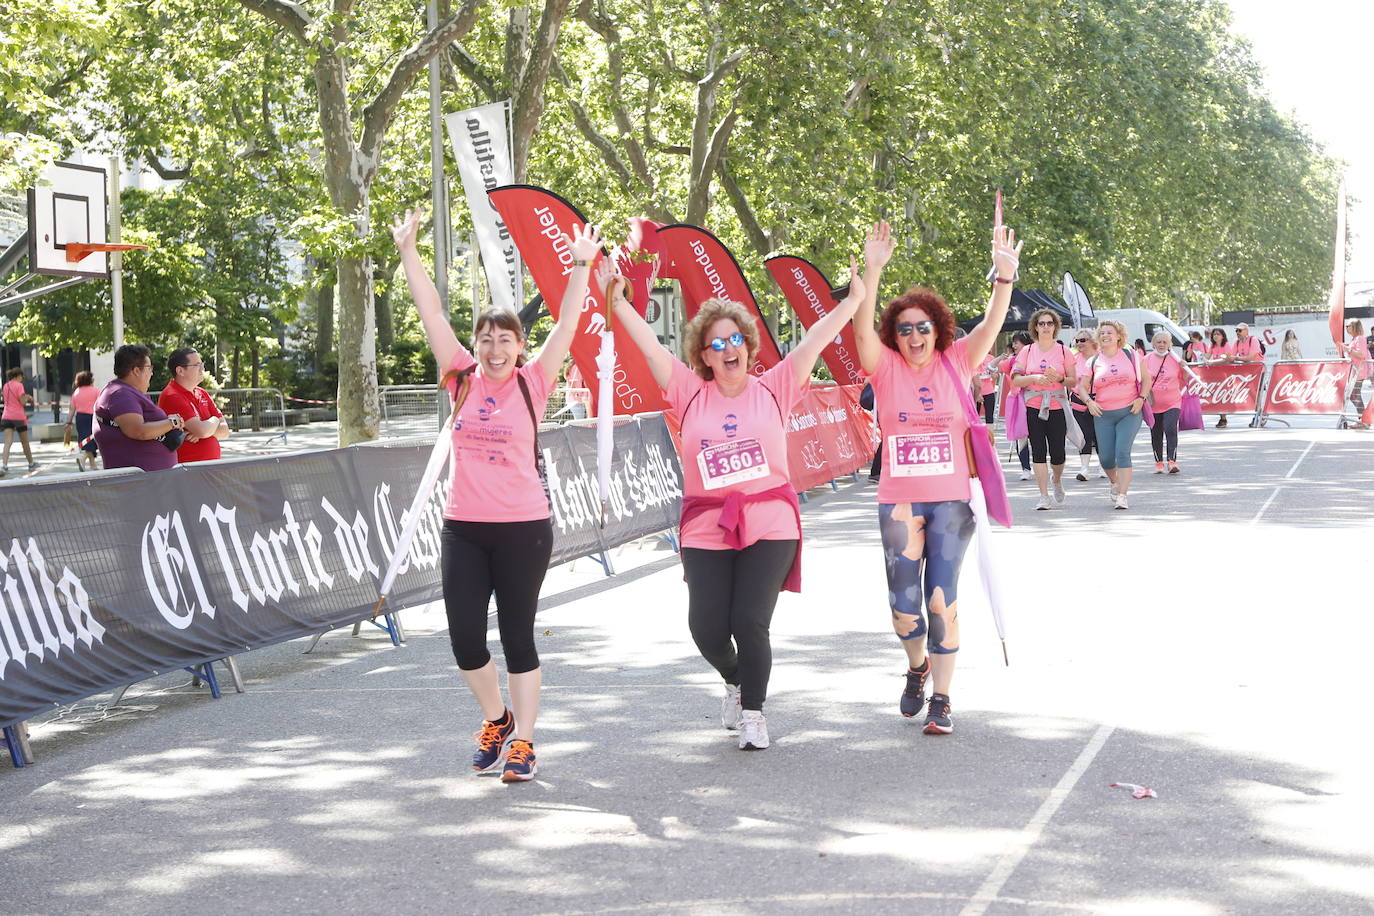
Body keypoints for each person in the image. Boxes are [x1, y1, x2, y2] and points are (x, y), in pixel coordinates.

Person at [605, 238, 870, 752]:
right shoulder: (688, 390)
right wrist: (616, 303)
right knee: (706, 627)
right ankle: (734, 678)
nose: (728, 351)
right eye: (716, 344)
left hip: (770, 521)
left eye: (735, 342)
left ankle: (753, 712)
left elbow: (815, 338)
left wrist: (854, 301)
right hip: (707, 523)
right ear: (703, 355)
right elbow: (649, 346)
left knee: (749, 619)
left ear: (748, 347)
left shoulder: (775, 386)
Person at [393, 208, 593, 783]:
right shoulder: (459, 377)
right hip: (464, 527)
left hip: (524, 527)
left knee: (517, 636)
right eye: (486, 338)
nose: (494, 348)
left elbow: (568, 326)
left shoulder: (534, 383)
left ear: (519, 347)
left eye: (505, 340)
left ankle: (525, 744)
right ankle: (497, 717)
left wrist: (579, 267)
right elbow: (431, 312)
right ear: (476, 344)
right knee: (463, 639)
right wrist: (409, 250)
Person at [853, 218, 1022, 736]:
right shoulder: (883, 367)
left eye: (922, 326)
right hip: (899, 502)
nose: (913, 336)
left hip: (951, 502)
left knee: (940, 596)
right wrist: (873, 270)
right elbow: (859, 328)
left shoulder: (957, 360)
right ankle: (916, 668)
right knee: (904, 605)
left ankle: (943, 699)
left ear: (938, 330)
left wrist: (1004, 278)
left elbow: (992, 324)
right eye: (903, 328)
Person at [1011, 309, 1076, 510]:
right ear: (1035, 327)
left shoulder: (1064, 351)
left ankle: (1056, 479)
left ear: (1055, 326)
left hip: (1057, 405)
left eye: (1049, 323)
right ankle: (1043, 496)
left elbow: (1073, 381)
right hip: (1033, 406)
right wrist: (1034, 378)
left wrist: (1060, 379)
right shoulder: (1027, 351)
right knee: (1038, 452)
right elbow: (1015, 378)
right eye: (1042, 324)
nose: (1046, 327)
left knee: (1058, 454)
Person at [1077, 320, 1146, 509]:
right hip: (1103, 414)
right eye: (1102, 333)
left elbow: (1147, 380)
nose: (1106, 335)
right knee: (1106, 458)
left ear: (1118, 336)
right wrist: (1089, 402)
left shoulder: (1131, 355)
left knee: (1122, 452)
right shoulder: (1093, 361)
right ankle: (1115, 483)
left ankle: (1123, 495)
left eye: (1110, 332)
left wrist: (1141, 398)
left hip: (1129, 412)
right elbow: (1081, 387)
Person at [93, 345, 186, 473]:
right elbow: (138, 431)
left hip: (149, 480)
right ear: (136, 370)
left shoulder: (127, 392)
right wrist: (172, 423)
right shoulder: (121, 394)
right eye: (149, 368)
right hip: (140, 482)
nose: (152, 373)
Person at [157, 349, 230, 463]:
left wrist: (205, 432)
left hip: (207, 469)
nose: (202, 369)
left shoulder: (201, 392)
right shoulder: (172, 395)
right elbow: (202, 430)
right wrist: (214, 421)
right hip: (188, 470)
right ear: (180, 371)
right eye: (197, 365)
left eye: (202, 364)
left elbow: (225, 431)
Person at [1144, 329, 1190, 474]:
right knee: (1156, 433)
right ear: (1153, 344)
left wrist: (1184, 368)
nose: (1162, 344)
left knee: (1170, 428)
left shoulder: (1175, 359)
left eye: (1165, 342)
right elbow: (1141, 380)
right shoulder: (1146, 359)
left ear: (1169, 344)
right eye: (1159, 342)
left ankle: (1172, 461)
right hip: (1153, 404)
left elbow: (1183, 379)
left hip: (1172, 402)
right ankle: (1158, 463)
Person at [1068, 330, 1106, 481]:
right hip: (1078, 401)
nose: (1079, 344)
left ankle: (1103, 466)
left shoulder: (1102, 357)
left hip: (1099, 402)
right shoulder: (1073, 359)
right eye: (1076, 341)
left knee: (1100, 436)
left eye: (1082, 340)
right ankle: (1084, 468)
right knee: (1083, 435)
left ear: (1092, 341)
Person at [998, 331, 1033, 480]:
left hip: (1033, 398)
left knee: (1037, 435)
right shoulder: (1011, 361)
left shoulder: (1034, 359)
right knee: (1021, 435)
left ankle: (1040, 463)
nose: (1014, 345)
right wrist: (1000, 358)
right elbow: (994, 368)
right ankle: (1026, 468)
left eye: (1016, 342)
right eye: (1013, 343)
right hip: (1017, 401)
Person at [1, 367, 36, 476]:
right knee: (25, 442)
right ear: (18, 376)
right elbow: (22, 402)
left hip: (6, 416)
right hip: (18, 417)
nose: (22, 379)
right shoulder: (19, 386)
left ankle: (4, 465)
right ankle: (31, 463)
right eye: (22, 376)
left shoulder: (6, 386)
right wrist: (28, 398)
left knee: (8, 441)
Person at [66, 371, 101, 471]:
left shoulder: (76, 392)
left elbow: (72, 409)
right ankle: (83, 458)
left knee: (86, 441)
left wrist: (68, 421)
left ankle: (93, 465)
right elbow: (100, 405)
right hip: (92, 418)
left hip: (80, 418)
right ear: (90, 380)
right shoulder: (95, 391)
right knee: (92, 440)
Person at [1206, 327, 1233, 427]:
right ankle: (1222, 418)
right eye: (1214, 334)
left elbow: (1228, 358)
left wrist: (1213, 362)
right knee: (1217, 396)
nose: (1215, 336)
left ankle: (1224, 418)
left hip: (1225, 374)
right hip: (1215, 374)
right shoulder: (1211, 345)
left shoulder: (1226, 345)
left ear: (1223, 336)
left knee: (1223, 396)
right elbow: (1207, 357)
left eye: (1218, 334)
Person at [1344, 320, 1371, 421]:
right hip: (1355, 371)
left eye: (1348, 326)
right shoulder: (1355, 339)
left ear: (1355, 327)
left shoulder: (1360, 338)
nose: (1346, 328)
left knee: (1354, 395)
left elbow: (1361, 355)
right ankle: (1363, 420)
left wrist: (1348, 350)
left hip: (1359, 371)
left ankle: (1364, 420)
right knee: (1353, 395)